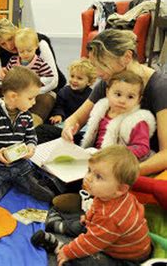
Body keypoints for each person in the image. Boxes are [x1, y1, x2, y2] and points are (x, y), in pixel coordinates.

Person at [62, 29, 167, 176]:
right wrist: (68, 128)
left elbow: (165, 154)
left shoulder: (160, 88)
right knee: (47, 135)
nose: (98, 73)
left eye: (102, 65)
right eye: (95, 66)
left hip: (135, 163)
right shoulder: (109, 81)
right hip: (103, 156)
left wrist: (121, 173)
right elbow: (76, 118)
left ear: (127, 57)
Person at [31, 146, 152, 266]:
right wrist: (89, 218)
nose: (88, 177)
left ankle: (58, 246)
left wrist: (68, 252)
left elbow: (91, 242)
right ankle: (59, 226)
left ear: (120, 189)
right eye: (89, 170)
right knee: (82, 222)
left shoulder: (110, 216)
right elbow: (95, 210)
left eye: (98, 176)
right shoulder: (110, 196)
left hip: (125, 258)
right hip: (107, 236)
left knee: (88, 259)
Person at [0, 18, 65, 139]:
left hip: (42, 90)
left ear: (16, 31)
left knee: (46, 99)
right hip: (15, 90)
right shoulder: (1, 51)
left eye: (10, 39)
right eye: (2, 43)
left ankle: (22, 134)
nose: (9, 45)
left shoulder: (39, 42)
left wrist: (27, 92)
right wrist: (0, 75)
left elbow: (53, 81)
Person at [0, 67, 55, 202]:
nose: (34, 102)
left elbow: (31, 135)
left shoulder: (27, 116)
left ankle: (22, 180)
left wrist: (31, 147)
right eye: (31, 98)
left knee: (39, 191)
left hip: (20, 166)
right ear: (13, 96)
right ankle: (1, 179)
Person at [80, 70, 156, 161]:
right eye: (118, 94)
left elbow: (142, 148)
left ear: (139, 99)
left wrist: (114, 154)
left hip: (119, 165)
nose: (122, 101)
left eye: (130, 97)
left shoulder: (137, 121)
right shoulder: (101, 111)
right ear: (107, 92)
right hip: (95, 157)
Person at [49, 58, 96, 125]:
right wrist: (59, 115)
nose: (74, 80)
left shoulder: (92, 95)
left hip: (83, 123)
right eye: (72, 76)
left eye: (79, 78)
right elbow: (59, 106)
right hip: (65, 121)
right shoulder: (64, 92)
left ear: (89, 82)